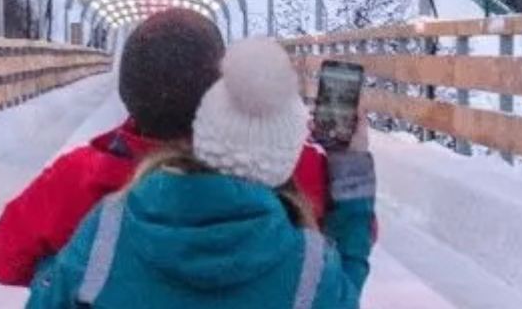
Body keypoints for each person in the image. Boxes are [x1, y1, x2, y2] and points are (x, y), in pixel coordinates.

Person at [0, 11, 334, 287]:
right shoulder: (283, 164)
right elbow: (343, 245)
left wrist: (68, 275)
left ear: (129, 89)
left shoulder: (78, 178)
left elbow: (1, 259)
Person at [26, 38, 375, 308]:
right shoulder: (308, 268)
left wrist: (51, 272)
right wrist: (350, 162)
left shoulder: (108, 231)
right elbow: (345, 286)